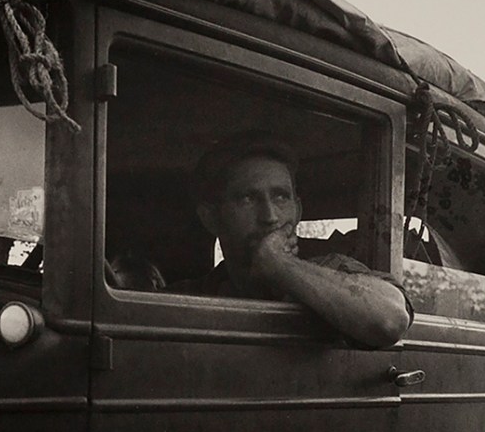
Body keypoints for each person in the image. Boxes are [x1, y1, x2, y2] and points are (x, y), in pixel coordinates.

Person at [173, 133, 413, 349]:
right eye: (247, 198)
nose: (270, 216)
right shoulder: (193, 294)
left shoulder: (331, 270)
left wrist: (279, 265)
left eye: (280, 197)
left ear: (297, 211)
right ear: (211, 218)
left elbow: (391, 319)